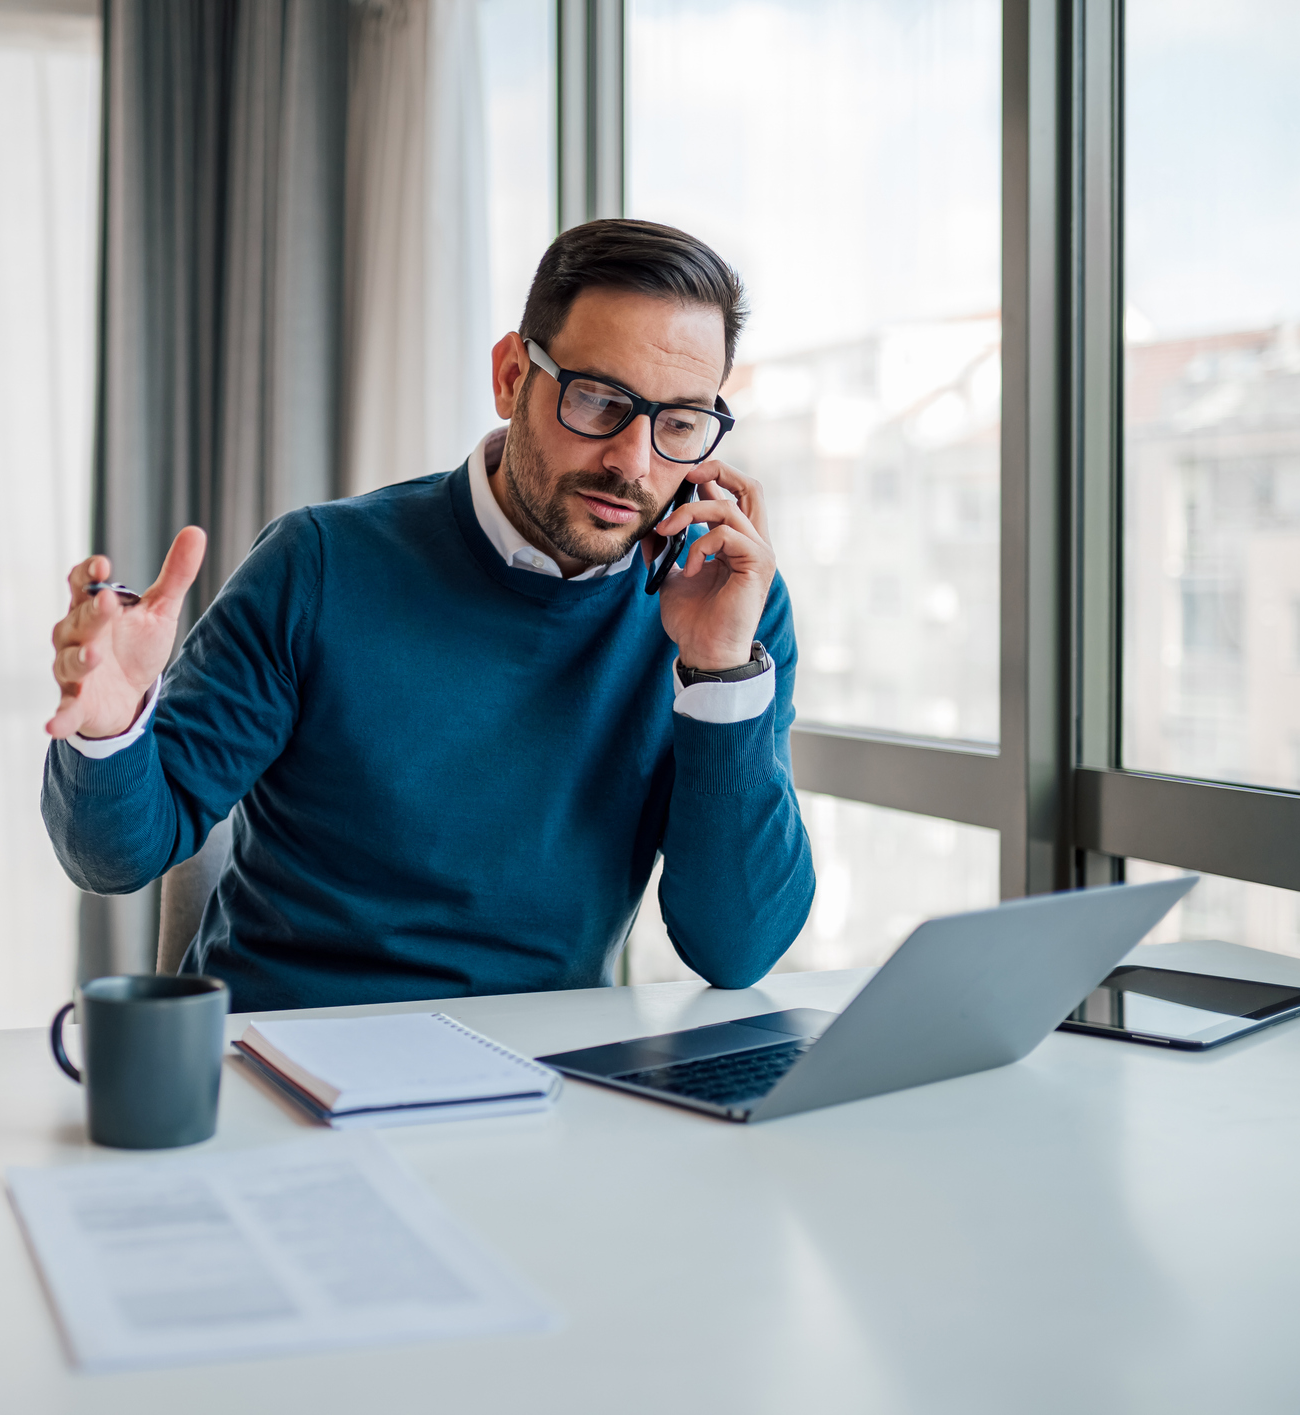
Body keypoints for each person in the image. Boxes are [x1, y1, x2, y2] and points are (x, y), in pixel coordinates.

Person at [41, 219, 814, 1012]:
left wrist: (718, 674)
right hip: (290, 1045)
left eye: (678, 423)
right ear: (511, 376)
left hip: (542, 1066)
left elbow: (735, 948)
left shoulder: (726, 606)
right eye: (596, 400)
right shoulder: (319, 564)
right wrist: (109, 728)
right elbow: (114, 856)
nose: (633, 461)